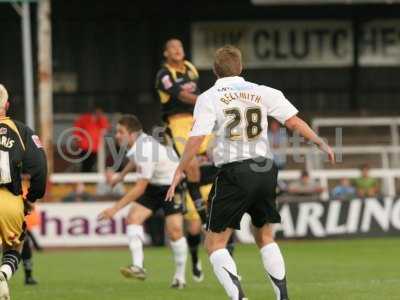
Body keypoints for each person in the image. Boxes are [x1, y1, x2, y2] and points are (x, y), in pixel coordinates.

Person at [165, 46, 335, 300]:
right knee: (265, 235)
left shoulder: (208, 98)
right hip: (266, 169)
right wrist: (320, 142)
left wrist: (180, 170)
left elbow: (197, 137)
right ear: (241, 68)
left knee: (214, 243)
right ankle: (283, 297)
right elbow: (294, 122)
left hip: (235, 171)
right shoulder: (264, 92)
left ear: (214, 71)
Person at [98, 115, 188, 289]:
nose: (117, 135)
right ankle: (138, 267)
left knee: (175, 231)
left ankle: (180, 277)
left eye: (120, 132)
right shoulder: (138, 144)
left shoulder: (145, 150)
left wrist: (114, 209)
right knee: (133, 219)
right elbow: (134, 161)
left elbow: (139, 188)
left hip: (172, 185)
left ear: (132, 135)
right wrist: (120, 177)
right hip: (155, 185)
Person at [155, 38, 208, 281]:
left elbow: (194, 91)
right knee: (192, 163)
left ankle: (197, 259)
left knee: (216, 154)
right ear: (166, 53)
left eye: (181, 47)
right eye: (173, 48)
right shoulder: (164, 74)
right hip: (177, 123)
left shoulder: (191, 68)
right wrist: (206, 101)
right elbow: (180, 95)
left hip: (198, 120)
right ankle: (197, 201)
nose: (178, 50)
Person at [0, 84, 47, 300]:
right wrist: (31, 198)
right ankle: (4, 273)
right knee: (14, 247)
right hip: (9, 201)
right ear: (7, 105)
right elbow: (39, 169)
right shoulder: (22, 130)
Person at [73, 107, 110, 172]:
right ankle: (85, 177)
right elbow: (77, 130)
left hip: (94, 148)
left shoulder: (100, 121)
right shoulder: (85, 119)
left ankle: (87, 176)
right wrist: (77, 140)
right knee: (87, 164)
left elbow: (105, 128)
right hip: (85, 147)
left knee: (90, 164)